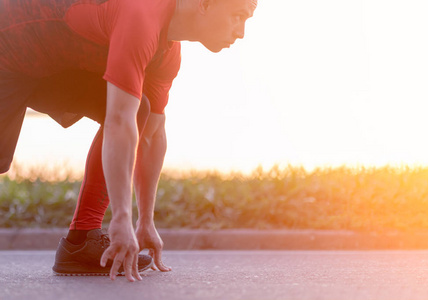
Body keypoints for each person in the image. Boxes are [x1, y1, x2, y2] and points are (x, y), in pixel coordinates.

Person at [0, 0, 257, 282]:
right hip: (7, 45)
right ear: (205, 4)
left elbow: (152, 134)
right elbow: (118, 122)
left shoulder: (167, 55)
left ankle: (82, 240)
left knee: (141, 110)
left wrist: (144, 221)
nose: (242, 32)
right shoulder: (142, 14)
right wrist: (121, 218)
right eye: (238, 16)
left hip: (47, 65)